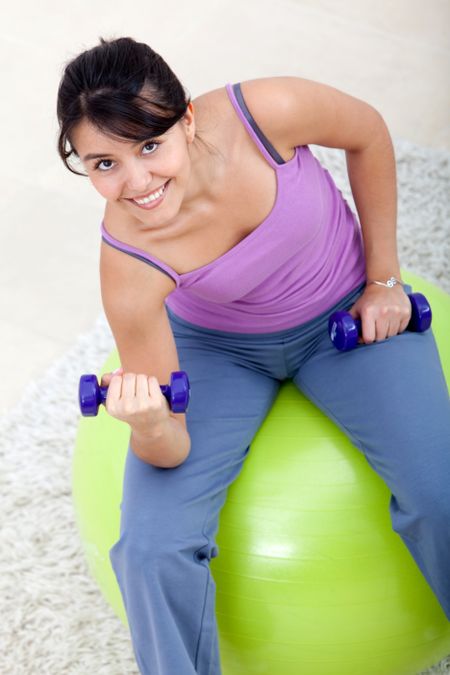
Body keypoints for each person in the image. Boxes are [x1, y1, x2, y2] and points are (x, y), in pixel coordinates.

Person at [56, 36, 450, 675]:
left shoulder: (264, 114)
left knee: (440, 492)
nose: (136, 184)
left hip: (342, 310)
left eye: (149, 146)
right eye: (104, 164)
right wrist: (152, 423)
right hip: (216, 351)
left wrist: (383, 280)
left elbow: (369, 133)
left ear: (186, 118)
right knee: (151, 549)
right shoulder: (127, 265)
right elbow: (171, 449)